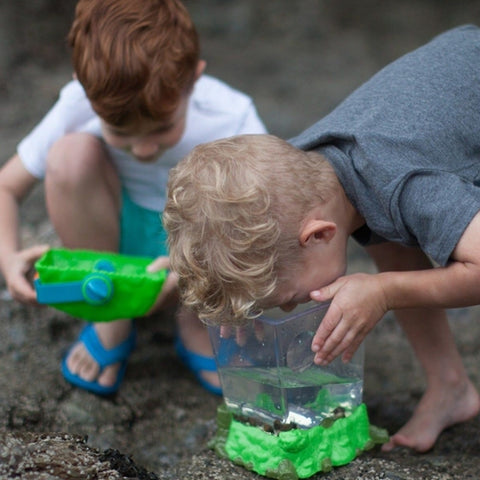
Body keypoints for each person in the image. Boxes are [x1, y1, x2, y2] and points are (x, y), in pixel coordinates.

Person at [163, 24, 480, 452]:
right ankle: (451, 387)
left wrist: (385, 291)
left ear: (318, 236)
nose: (294, 306)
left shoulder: (407, 183)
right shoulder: (299, 177)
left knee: (397, 257)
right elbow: (224, 226)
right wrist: (224, 288)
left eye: (290, 296)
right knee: (389, 238)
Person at [0, 0, 266, 397]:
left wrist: (189, 273)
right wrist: (7, 258)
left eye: (162, 128)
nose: (142, 149)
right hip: (114, 236)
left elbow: (273, 210)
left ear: (193, 80)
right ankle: (111, 313)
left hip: (202, 248)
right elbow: (6, 187)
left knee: (238, 181)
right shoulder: (78, 102)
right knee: (69, 156)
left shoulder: (229, 115)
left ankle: (197, 317)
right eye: (121, 132)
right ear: (84, 89)